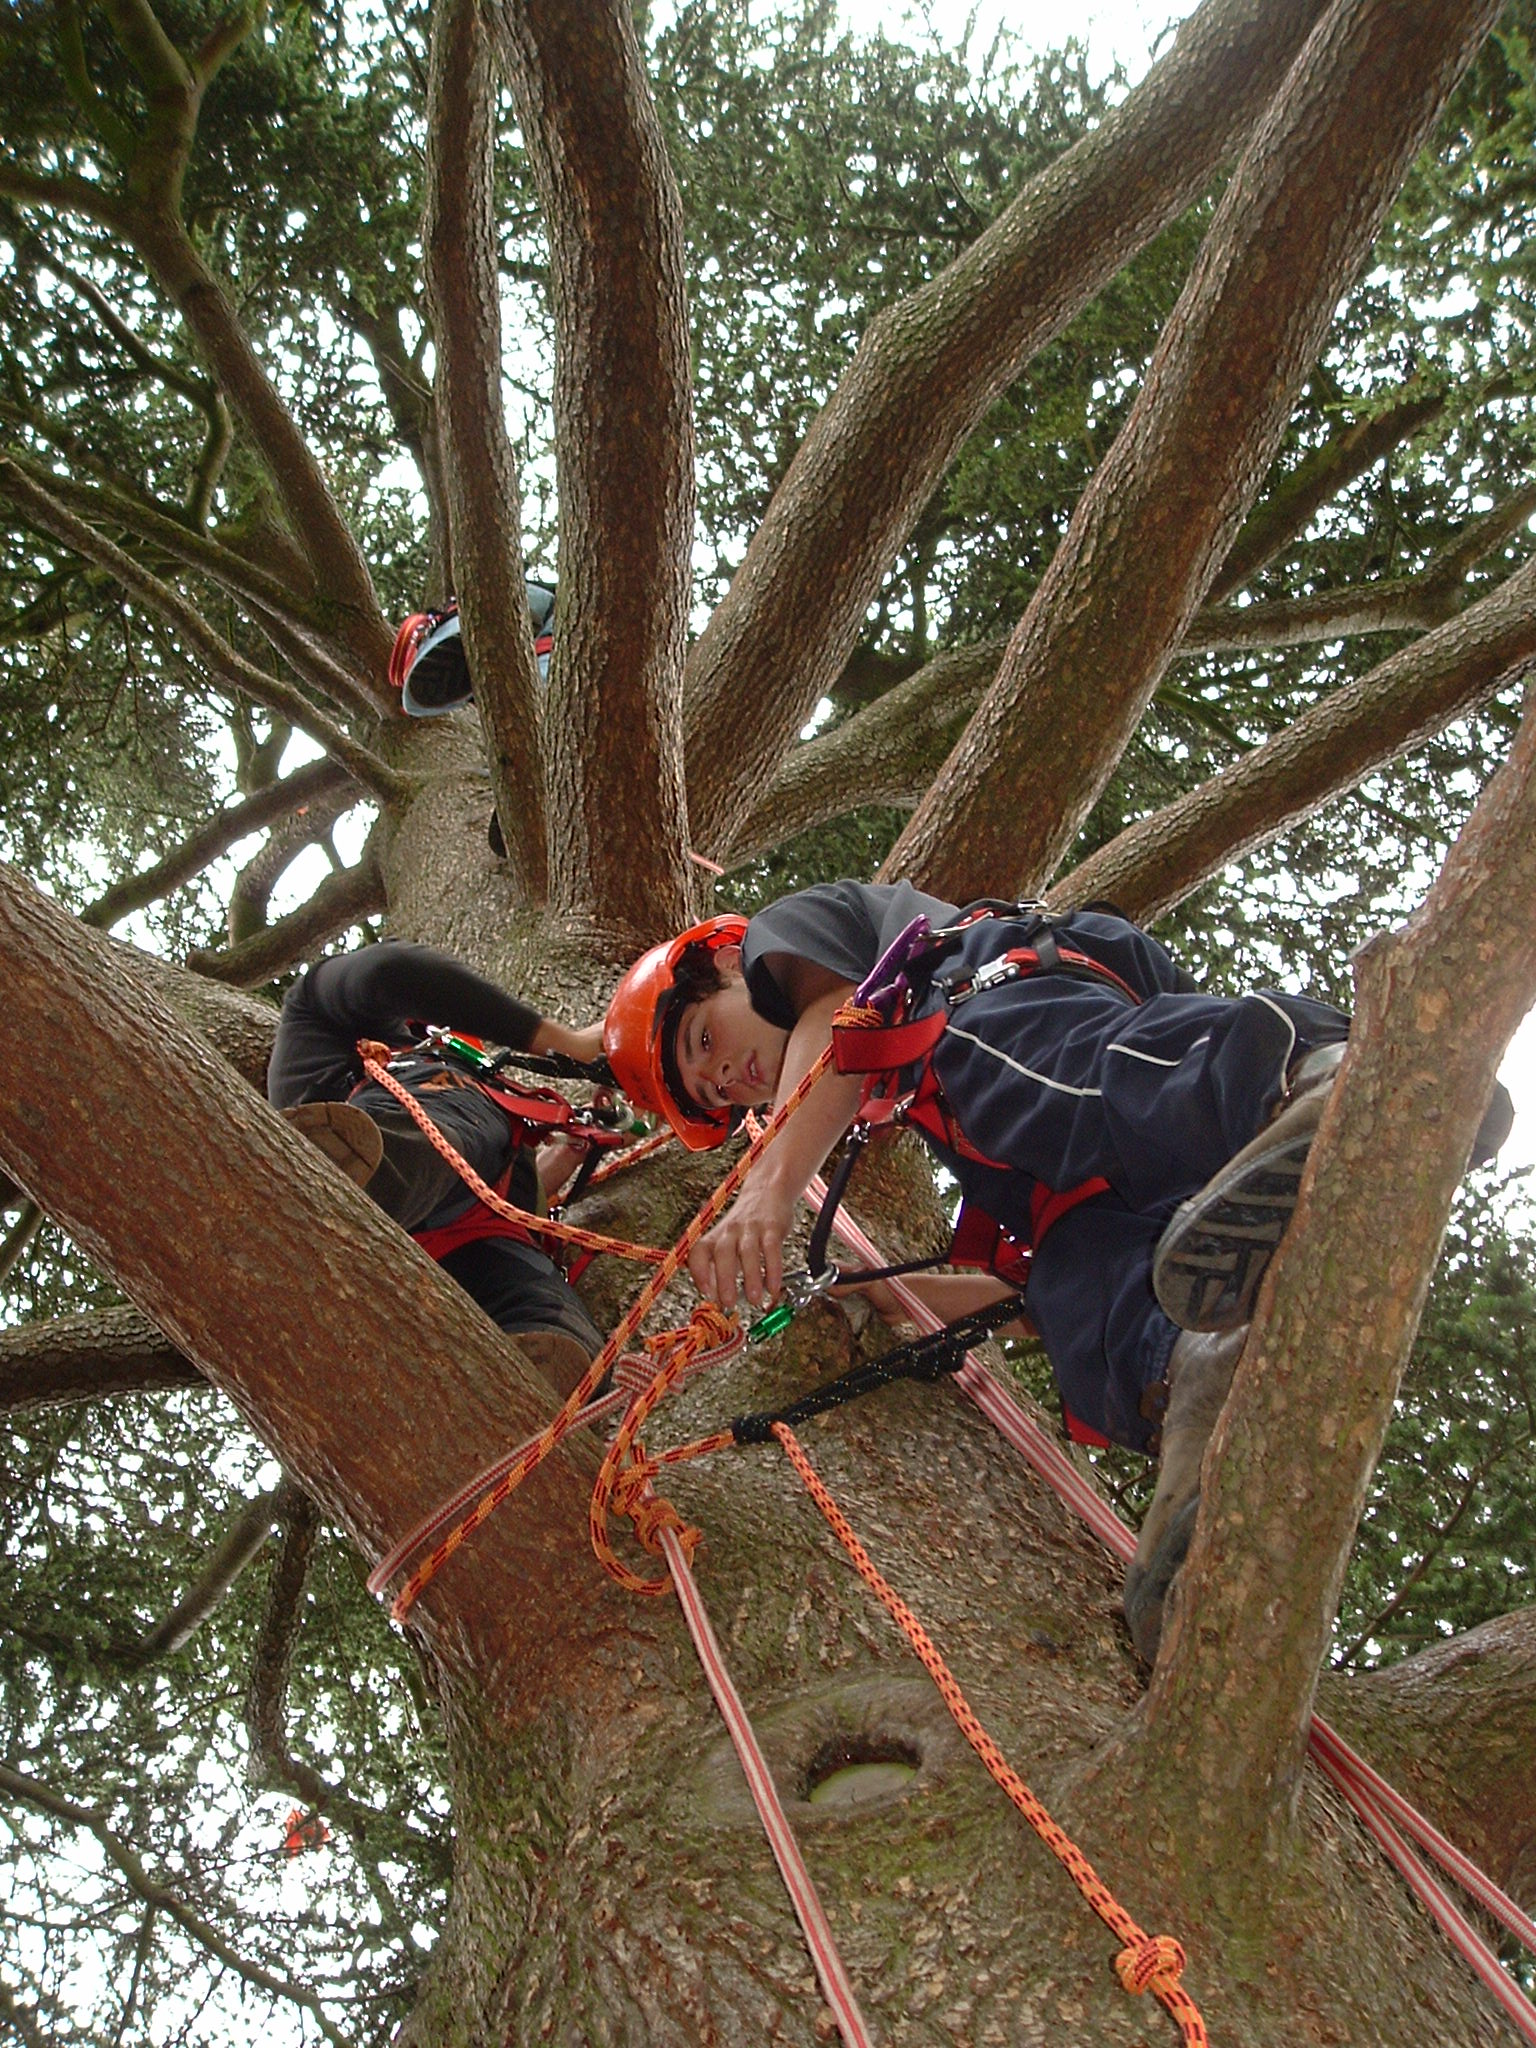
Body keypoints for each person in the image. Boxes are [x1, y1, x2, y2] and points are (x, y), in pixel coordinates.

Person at [603, 880, 1513, 1660]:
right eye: (718, 1092)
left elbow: (838, 1016)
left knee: (1036, 1077)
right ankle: (1197, 1384)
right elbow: (1010, 1297)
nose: (731, 1075)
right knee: (1074, 1275)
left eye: (703, 1045)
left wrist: (768, 1189)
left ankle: (1320, 1079)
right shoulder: (924, 1106)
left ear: (722, 967)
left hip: (1007, 995)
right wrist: (878, 1293)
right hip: (1083, 1160)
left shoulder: (794, 942)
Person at [269, 940, 608, 1395]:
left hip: (467, 1232)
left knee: (549, 1316)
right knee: (446, 1118)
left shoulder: (483, 1113)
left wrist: (565, 1154)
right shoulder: (319, 1015)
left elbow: (479, 1185)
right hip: (396, 1139)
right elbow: (391, 971)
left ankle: (545, 1379)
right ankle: (346, 1174)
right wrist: (570, 1045)